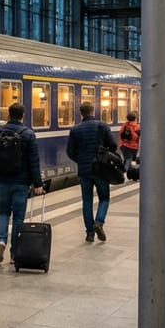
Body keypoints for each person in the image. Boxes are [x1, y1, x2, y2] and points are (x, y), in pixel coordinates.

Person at [0, 103, 45, 263]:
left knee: (3, 212)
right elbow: (34, 161)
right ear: (22, 115)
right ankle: (14, 254)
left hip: (2, 181)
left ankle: (1, 240)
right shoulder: (28, 134)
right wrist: (38, 184)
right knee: (18, 218)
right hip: (21, 182)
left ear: (8, 115)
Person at [66, 101, 119, 243]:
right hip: (101, 169)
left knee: (87, 201)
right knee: (104, 198)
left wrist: (81, 161)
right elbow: (113, 145)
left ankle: (89, 233)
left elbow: (70, 151)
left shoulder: (75, 130)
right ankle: (99, 222)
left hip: (84, 171)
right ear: (93, 111)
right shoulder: (102, 126)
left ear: (81, 113)